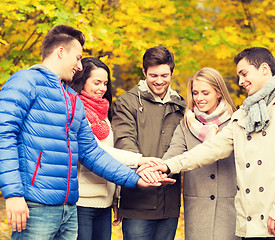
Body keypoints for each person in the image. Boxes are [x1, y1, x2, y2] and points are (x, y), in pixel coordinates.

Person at [0, 25, 172, 240]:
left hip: (68, 209)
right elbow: (3, 136)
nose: (80, 66)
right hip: (36, 205)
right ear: (61, 52)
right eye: (78, 58)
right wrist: (14, 194)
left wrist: (135, 179)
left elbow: (91, 152)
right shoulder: (25, 81)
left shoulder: (71, 99)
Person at [142, 47, 275, 240]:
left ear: (265, 69)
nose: (241, 82)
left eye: (244, 74)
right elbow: (212, 148)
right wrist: (168, 164)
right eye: (239, 76)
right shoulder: (245, 112)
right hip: (251, 220)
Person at [68, 57, 153, 240]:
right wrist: (139, 160)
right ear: (82, 80)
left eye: (105, 83)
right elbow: (98, 152)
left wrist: (115, 198)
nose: (102, 89)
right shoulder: (75, 110)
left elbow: (110, 156)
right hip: (81, 203)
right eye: (96, 82)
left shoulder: (104, 114)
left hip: (104, 204)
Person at [111, 45, 187, 240]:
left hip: (169, 203)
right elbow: (124, 142)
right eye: (153, 75)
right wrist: (148, 170)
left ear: (172, 72)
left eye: (164, 75)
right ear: (144, 72)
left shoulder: (181, 106)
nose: (159, 81)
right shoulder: (126, 103)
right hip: (137, 200)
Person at [162, 67, 239, 240]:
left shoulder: (236, 121)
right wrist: (156, 168)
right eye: (195, 93)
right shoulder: (186, 124)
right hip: (197, 209)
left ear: (218, 92)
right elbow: (173, 153)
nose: (199, 98)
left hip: (230, 208)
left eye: (205, 93)